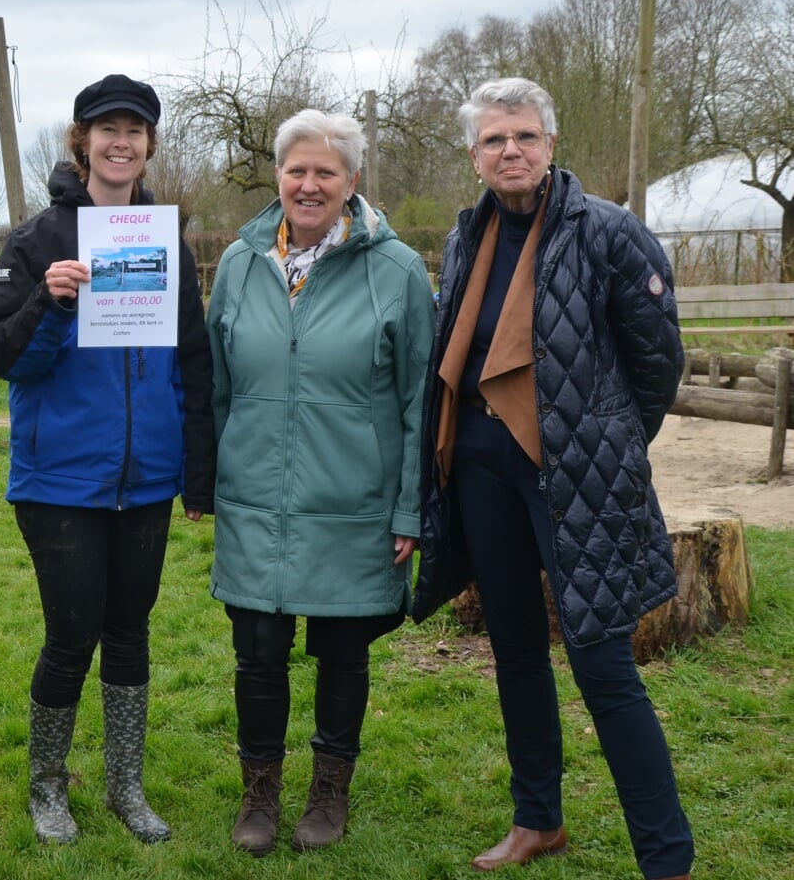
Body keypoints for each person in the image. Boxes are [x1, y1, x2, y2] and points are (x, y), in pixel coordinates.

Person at [412, 77, 693, 880]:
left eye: (524, 136)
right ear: (474, 154)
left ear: (549, 144)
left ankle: (665, 858)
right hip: (478, 464)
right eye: (495, 139)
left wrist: (602, 441)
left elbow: (654, 363)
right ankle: (538, 818)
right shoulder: (467, 235)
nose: (511, 151)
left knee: (603, 667)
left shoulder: (609, 232)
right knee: (514, 649)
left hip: (576, 477)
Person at [0, 74, 215, 846]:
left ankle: (124, 784)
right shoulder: (38, 238)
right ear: (81, 139)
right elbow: (3, 358)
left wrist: (195, 470)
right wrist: (52, 301)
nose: (120, 142)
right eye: (106, 128)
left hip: (144, 479)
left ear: (147, 146)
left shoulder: (163, 241)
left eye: (135, 130)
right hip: (60, 481)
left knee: (131, 630)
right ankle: (48, 784)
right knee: (71, 632)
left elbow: (192, 359)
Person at [205, 109, 434, 858]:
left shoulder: (395, 269)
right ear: (278, 176)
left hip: (353, 501)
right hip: (257, 499)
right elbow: (216, 385)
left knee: (342, 649)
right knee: (259, 650)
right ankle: (259, 793)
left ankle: (328, 793)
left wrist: (409, 506)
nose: (308, 185)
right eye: (296, 170)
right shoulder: (240, 263)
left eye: (324, 173)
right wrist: (212, 481)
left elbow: (416, 403)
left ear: (352, 182)